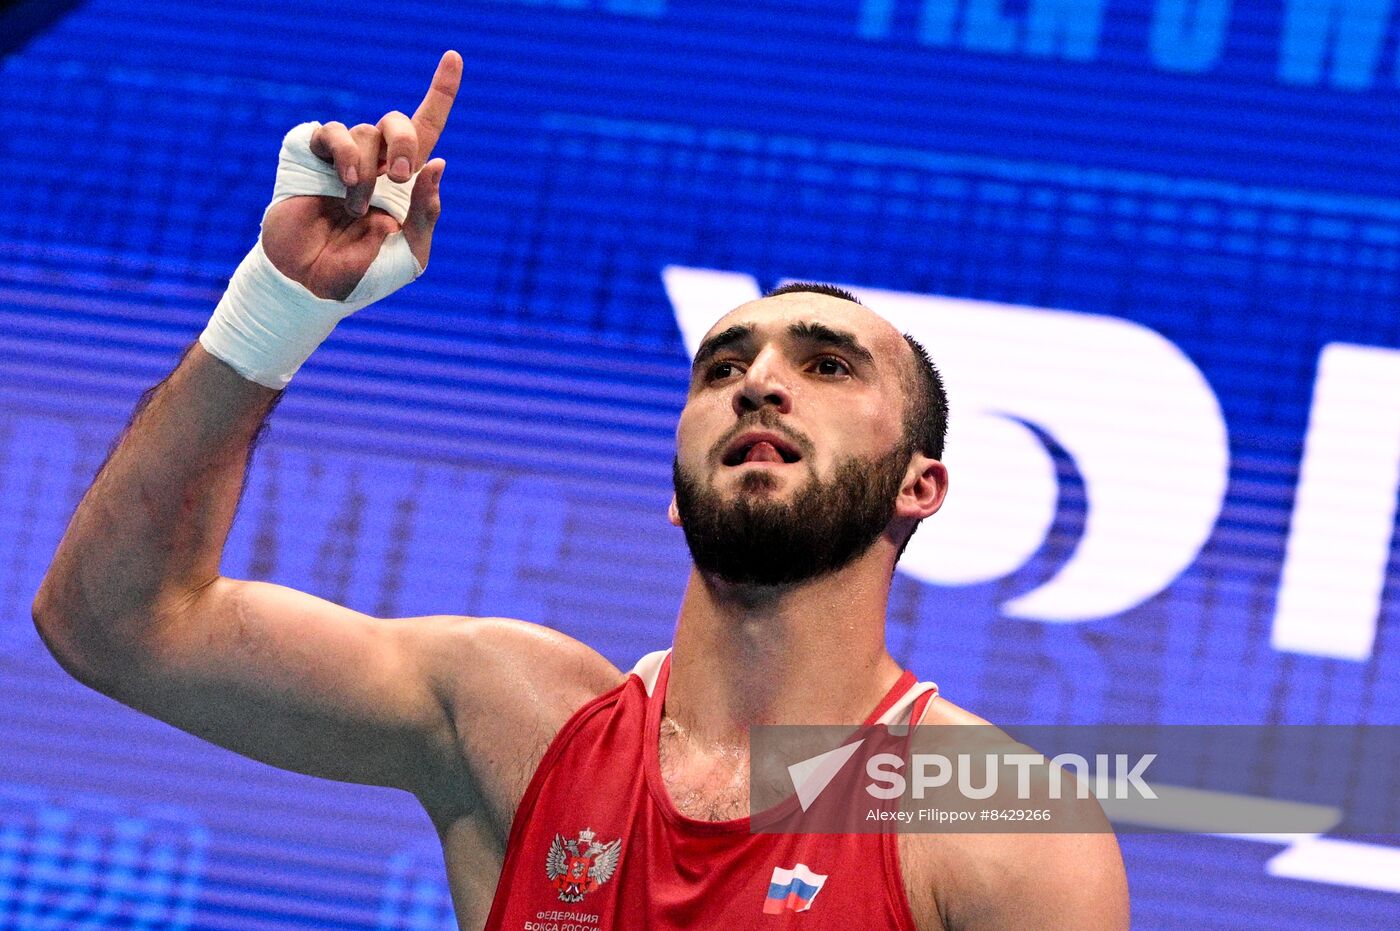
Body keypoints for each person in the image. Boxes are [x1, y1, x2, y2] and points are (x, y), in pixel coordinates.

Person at [32, 51, 1129, 929]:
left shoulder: (1000, 835)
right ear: (674, 485)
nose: (758, 384)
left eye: (826, 367)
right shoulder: (513, 717)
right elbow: (113, 622)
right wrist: (277, 307)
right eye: (722, 367)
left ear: (919, 485)